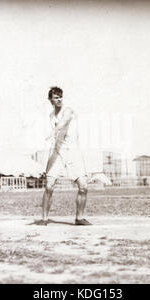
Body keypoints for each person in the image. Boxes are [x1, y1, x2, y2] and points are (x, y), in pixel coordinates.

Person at [37, 87, 91, 226]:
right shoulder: (50, 115)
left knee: (83, 186)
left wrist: (54, 130)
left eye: (60, 96)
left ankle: (79, 218)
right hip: (57, 152)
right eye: (56, 97)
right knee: (49, 186)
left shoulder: (68, 110)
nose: (59, 99)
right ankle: (44, 219)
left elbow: (63, 122)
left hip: (73, 152)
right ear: (50, 100)